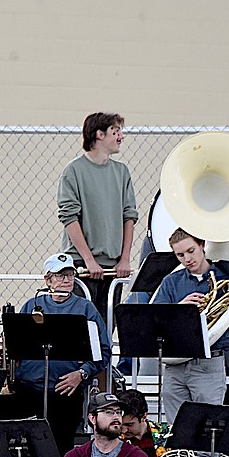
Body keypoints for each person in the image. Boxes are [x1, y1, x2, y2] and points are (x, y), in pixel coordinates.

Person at [0, 252, 110, 456]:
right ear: (47, 279)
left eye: (70, 275)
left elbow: (103, 351)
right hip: (27, 388)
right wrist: (4, 355)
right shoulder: (31, 305)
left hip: (64, 389)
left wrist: (81, 374)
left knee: (58, 448)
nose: (66, 280)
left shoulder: (86, 308)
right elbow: (16, 346)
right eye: (59, 275)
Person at [152, 229, 229, 427]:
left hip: (208, 363)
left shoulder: (227, 281)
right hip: (175, 366)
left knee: (206, 434)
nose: (187, 259)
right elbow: (155, 323)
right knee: (174, 432)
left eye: (191, 251)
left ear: (202, 245)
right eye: (180, 255)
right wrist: (181, 309)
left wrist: (205, 340)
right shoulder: (171, 282)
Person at [57, 112, 139, 318]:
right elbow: (69, 217)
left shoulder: (122, 172)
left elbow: (129, 216)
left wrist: (125, 259)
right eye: (116, 131)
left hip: (114, 267)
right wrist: (89, 260)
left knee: (106, 327)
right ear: (99, 135)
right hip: (82, 265)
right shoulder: (73, 170)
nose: (121, 136)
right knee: (81, 328)